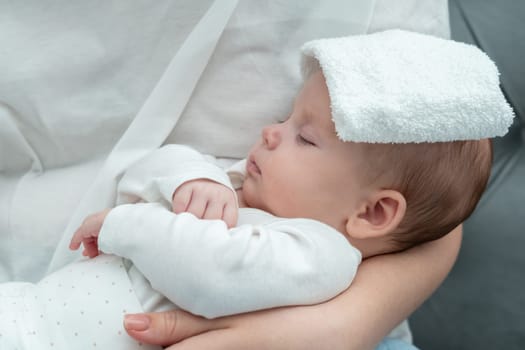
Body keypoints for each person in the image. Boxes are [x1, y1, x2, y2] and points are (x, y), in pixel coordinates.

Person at [0, 65, 491, 349]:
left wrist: (127, 225)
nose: (270, 131)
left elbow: (210, 271)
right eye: (285, 117)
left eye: (304, 137)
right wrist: (194, 177)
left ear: (373, 213)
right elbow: (145, 172)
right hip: (33, 312)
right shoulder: (247, 184)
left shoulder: (319, 256)